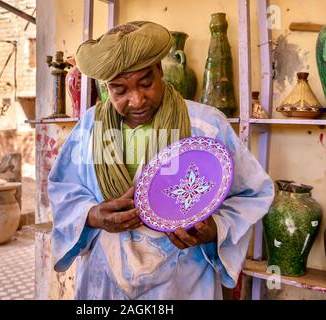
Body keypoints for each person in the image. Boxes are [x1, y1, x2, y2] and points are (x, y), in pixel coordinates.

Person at [48, 21, 274, 299]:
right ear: (106, 88)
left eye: (146, 83)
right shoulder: (89, 129)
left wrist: (214, 228)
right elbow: (63, 191)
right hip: (104, 280)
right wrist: (93, 216)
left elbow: (253, 193)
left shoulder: (205, 125)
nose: (137, 100)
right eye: (120, 90)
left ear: (160, 70)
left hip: (182, 283)